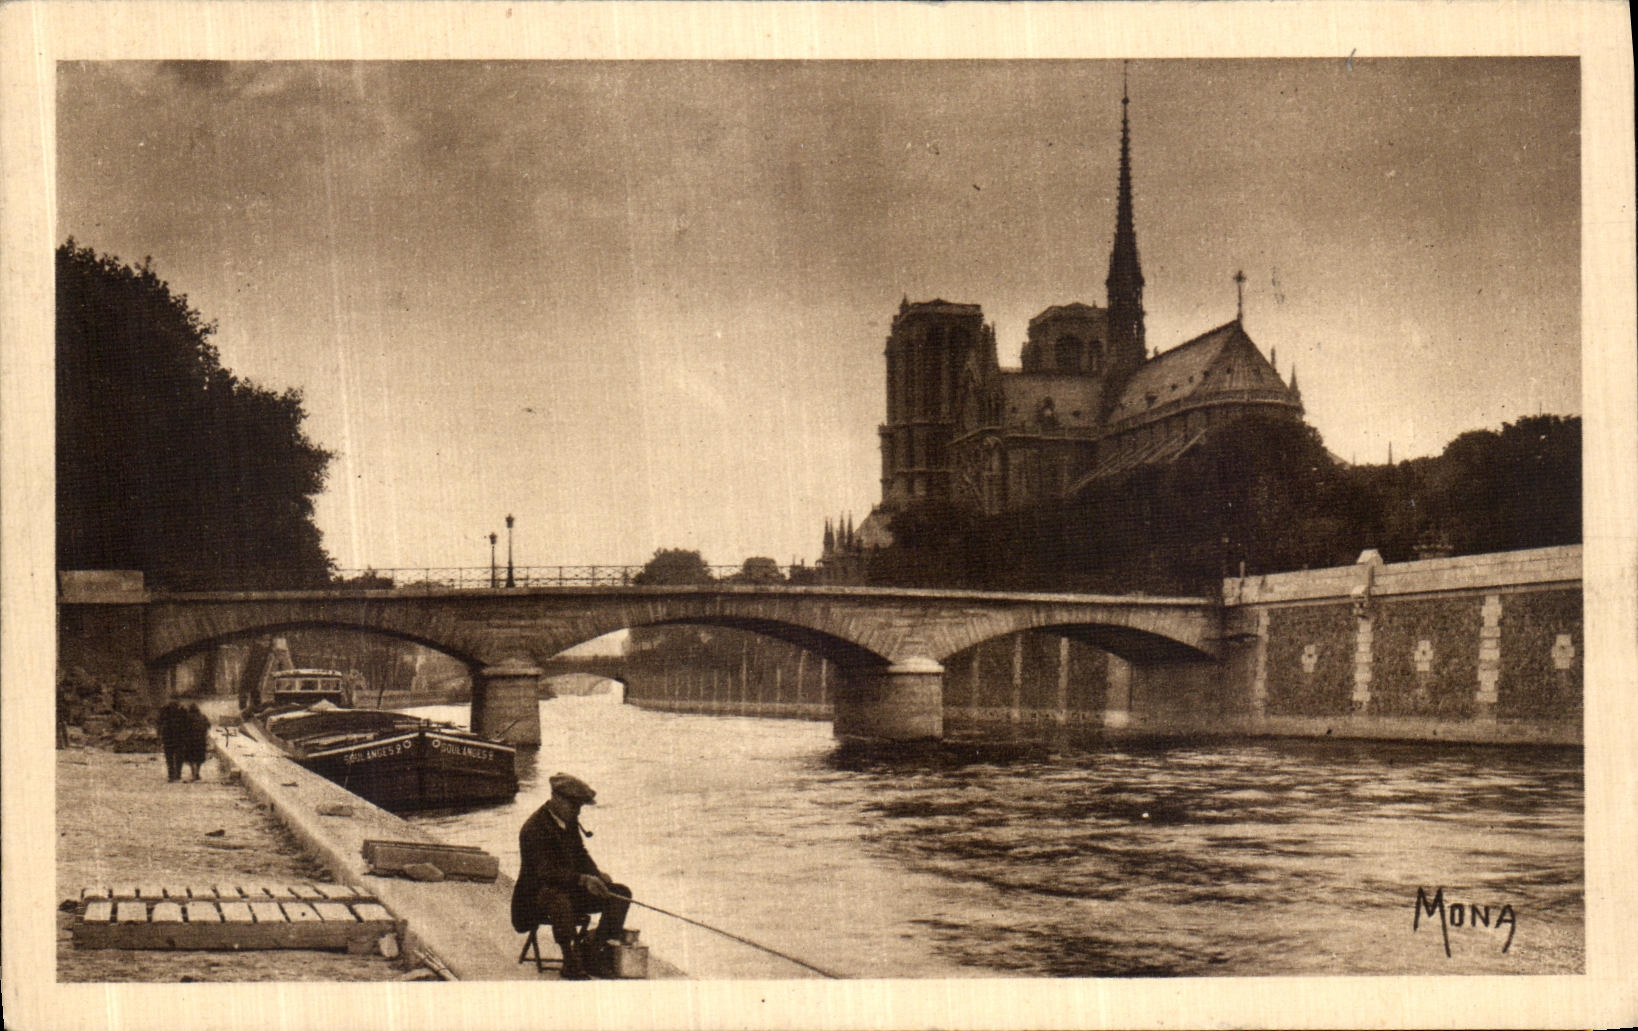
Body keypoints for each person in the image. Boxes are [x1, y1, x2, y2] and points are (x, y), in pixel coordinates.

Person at [510, 773, 631, 980]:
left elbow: (580, 854)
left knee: (621, 894)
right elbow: (545, 872)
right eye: (574, 806)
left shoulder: (569, 821)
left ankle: (593, 950)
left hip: (567, 888)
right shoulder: (534, 828)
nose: (578, 811)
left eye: (579, 807)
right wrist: (583, 880)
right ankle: (570, 961)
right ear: (556, 798)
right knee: (558, 899)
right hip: (535, 897)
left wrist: (597, 875)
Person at [156, 700, 186, 782]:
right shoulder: (182, 711)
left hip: (168, 737)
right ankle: (177, 774)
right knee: (179, 757)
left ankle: (171, 774)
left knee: (169, 757)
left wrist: (159, 735)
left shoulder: (164, 711)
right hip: (178, 737)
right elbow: (187, 725)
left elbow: (159, 723)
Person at [180, 703, 210, 782]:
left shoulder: (187, 717)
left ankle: (193, 773)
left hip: (190, 741)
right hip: (201, 740)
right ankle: (197, 773)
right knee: (199, 758)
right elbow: (208, 726)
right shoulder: (203, 716)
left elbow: (183, 729)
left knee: (191, 758)